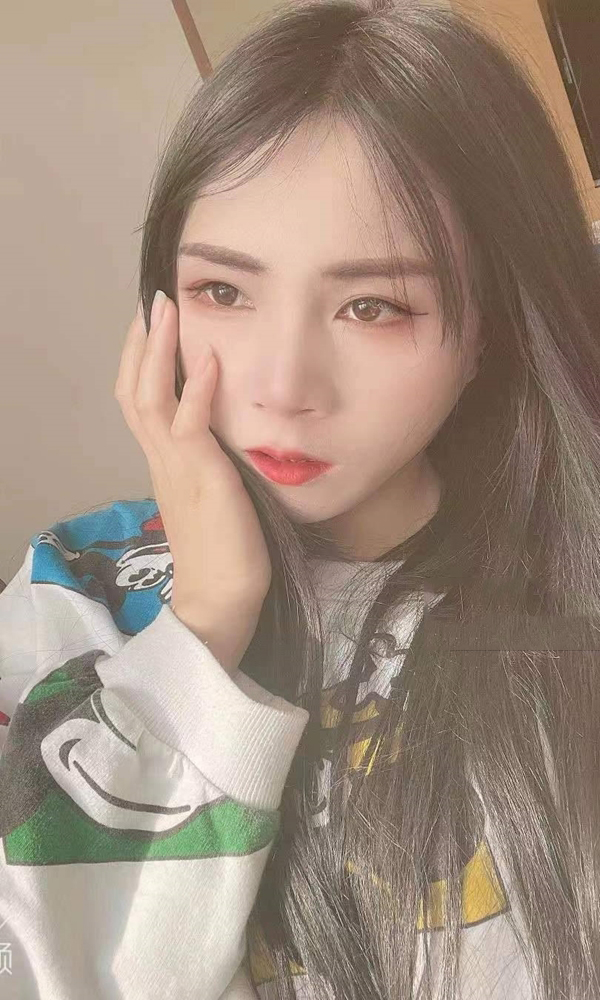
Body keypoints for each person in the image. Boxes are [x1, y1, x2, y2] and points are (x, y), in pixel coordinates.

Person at [2, 0, 600, 996]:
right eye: (224, 292)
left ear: (486, 331)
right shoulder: (72, 591)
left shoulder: (568, 608)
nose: (282, 387)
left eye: (372, 306)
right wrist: (205, 621)